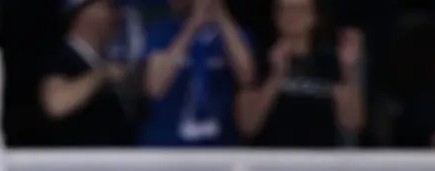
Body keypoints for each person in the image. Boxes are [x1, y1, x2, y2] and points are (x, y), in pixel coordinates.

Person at [235, 0, 363, 148]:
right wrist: (275, 77)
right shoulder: (260, 61)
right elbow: (247, 125)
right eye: (285, 10)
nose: (292, 16)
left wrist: (348, 71)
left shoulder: (330, 63)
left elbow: (353, 122)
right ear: (276, 16)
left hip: (318, 158)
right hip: (271, 157)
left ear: (314, 17)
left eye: (300, 10)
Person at [141, 0, 258, 147]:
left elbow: (247, 76)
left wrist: (221, 16)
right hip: (167, 144)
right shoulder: (162, 33)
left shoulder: (236, 34)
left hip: (220, 146)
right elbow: (155, 87)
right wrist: (193, 26)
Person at [40, 0, 138, 148]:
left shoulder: (106, 63)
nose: (117, 15)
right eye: (109, 7)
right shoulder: (60, 58)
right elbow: (56, 103)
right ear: (84, 12)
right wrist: (101, 74)